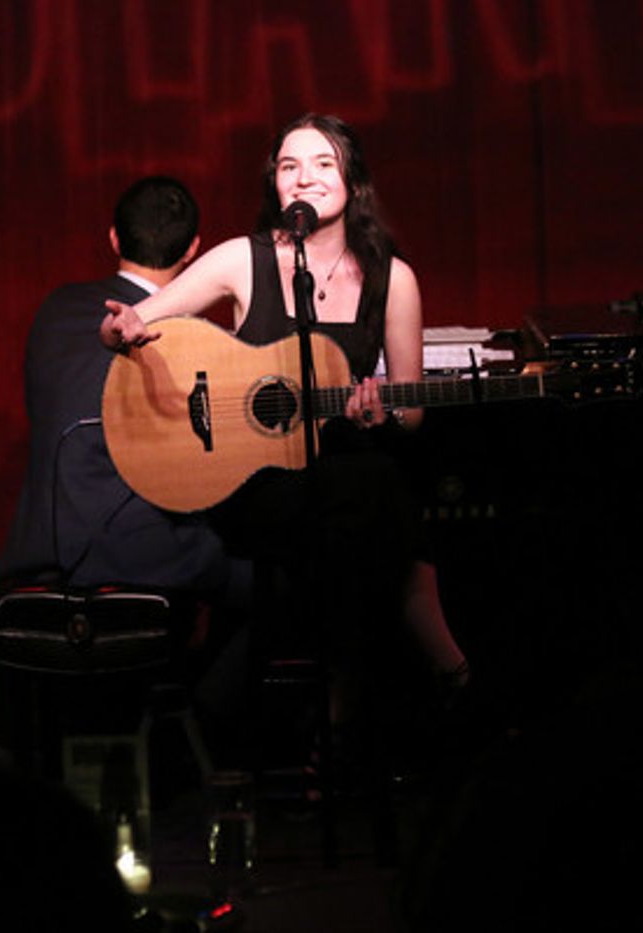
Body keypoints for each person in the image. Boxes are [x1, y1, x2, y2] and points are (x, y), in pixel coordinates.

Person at [102, 113, 469, 700]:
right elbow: (136, 321)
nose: (304, 179)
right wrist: (121, 328)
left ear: (353, 180)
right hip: (254, 482)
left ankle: (337, 698)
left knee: (371, 485)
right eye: (289, 167)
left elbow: (413, 409)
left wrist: (386, 411)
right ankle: (406, 677)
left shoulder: (393, 279)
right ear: (274, 184)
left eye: (324, 164)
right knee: (371, 498)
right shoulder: (240, 260)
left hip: (346, 472)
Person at [0, 176, 239, 599]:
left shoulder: (56, 308)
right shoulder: (189, 334)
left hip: (37, 546)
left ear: (114, 238)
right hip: (136, 551)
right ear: (192, 250)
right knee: (263, 573)